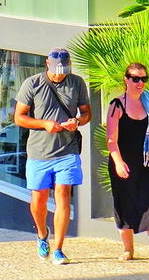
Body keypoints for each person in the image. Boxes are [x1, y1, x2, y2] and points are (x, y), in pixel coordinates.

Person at [13, 47, 92, 265]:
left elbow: (87, 113)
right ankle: (42, 234)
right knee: (38, 200)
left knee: (63, 194)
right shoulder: (32, 83)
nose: (59, 74)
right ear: (47, 64)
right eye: (56, 70)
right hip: (38, 152)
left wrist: (77, 121)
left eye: (63, 70)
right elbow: (19, 117)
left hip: (67, 149)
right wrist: (44, 124)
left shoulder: (77, 83)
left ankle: (58, 248)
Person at [107, 62, 149, 262]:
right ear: (126, 80)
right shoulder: (117, 105)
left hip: (148, 161)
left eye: (143, 79)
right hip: (124, 162)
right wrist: (118, 162)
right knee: (124, 203)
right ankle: (128, 249)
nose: (140, 83)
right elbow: (111, 139)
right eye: (135, 79)